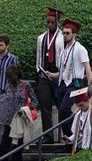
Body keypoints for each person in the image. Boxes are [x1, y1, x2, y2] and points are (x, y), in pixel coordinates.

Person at [45, 18, 92, 136]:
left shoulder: (80, 49)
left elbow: (87, 67)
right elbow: (62, 71)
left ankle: (72, 135)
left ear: (74, 34)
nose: (65, 35)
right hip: (63, 84)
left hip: (74, 83)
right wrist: (51, 75)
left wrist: (91, 86)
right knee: (61, 113)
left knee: (64, 110)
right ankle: (69, 136)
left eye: (67, 33)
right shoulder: (63, 52)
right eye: (64, 33)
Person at [35, 8, 64, 144]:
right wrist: (39, 71)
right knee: (44, 104)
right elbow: (39, 56)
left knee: (61, 105)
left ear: (57, 22)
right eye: (48, 22)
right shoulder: (41, 38)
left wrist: (59, 74)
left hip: (58, 73)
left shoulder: (62, 37)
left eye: (52, 22)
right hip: (45, 73)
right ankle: (48, 135)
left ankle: (66, 134)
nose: (49, 25)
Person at [0, 65, 38, 161]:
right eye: (7, 77)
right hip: (9, 121)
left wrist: (26, 109)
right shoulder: (7, 86)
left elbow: (35, 101)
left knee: (17, 149)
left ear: (16, 75)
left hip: (21, 121)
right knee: (3, 148)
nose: (9, 79)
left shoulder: (25, 85)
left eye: (10, 76)